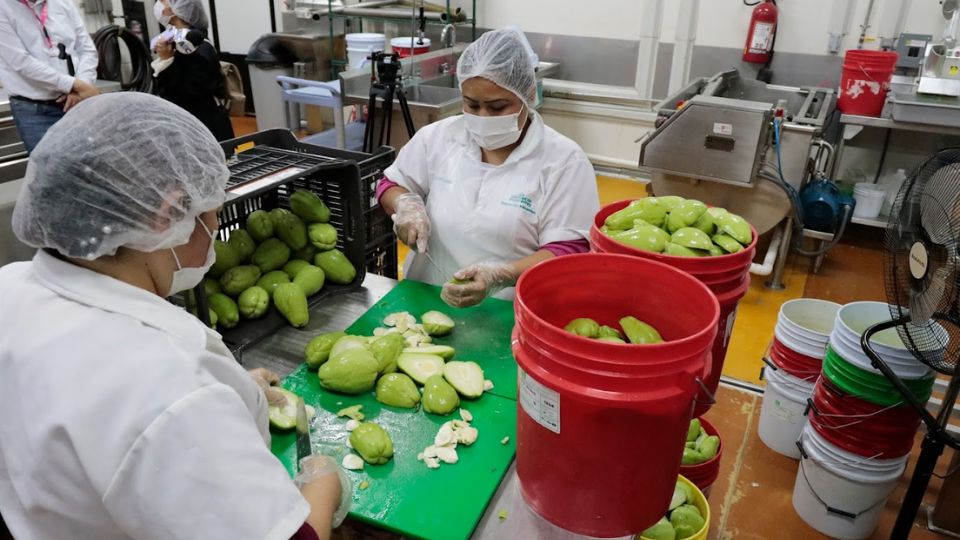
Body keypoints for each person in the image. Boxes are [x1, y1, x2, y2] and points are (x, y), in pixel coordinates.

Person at [0, 93, 347, 540]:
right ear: (170, 214)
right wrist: (323, 488)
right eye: (215, 213)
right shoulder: (170, 390)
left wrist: (233, 391)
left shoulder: (10, 286)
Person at [376, 28, 600, 308]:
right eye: (472, 105)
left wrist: (499, 276)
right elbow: (388, 185)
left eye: (497, 107)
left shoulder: (563, 161)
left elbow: (569, 249)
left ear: (528, 94)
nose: (483, 117)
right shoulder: (438, 138)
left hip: (509, 310)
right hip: (425, 298)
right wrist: (405, 204)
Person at [0, 0, 100, 153]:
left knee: (89, 167)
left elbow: (86, 50)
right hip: (35, 111)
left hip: (77, 102)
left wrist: (81, 85)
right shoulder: (4, 7)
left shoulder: (63, 3)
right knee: (50, 171)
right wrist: (75, 85)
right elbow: (21, 62)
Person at [152, 0, 235, 141]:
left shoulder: (196, 48)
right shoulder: (178, 43)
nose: (159, 4)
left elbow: (183, 93)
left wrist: (166, 62)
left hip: (205, 128)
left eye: (163, 1)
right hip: (194, 124)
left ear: (172, 11)